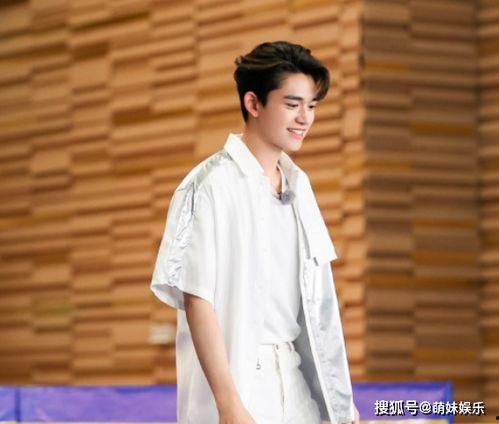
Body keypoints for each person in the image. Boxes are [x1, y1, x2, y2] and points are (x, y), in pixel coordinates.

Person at [150, 40, 360, 424]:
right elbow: (198, 300)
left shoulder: (300, 187)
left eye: (312, 106)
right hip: (242, 383)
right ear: (253, 103)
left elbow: (319, 304)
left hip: (296, 383)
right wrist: (229, 404)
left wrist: (338, 400)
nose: (305, 118)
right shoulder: (207, 186)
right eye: (292, 104)